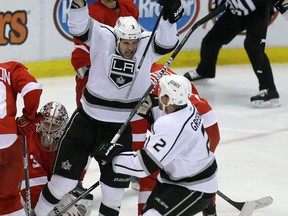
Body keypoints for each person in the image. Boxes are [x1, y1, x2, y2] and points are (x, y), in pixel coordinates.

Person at [34, 0, 183, 215]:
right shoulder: (103, 35)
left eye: (133, 43)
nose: (131, 48)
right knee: (61, 184)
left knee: (113, 195)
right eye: (125, 43)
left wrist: (169, 18)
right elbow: (78, 26)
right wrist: (78, 3)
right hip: (85, 123)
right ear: (116, 37)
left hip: (119, 129)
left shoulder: (144, 43)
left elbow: (167, 43)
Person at [94, 74, 218, 216]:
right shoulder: (187, 106)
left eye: (160, 92)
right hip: (180, 177)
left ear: (166, 99)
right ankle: (207, 205)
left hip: (195, 186)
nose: (157, 93)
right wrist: (151, 114)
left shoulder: (170, 124)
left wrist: (113, 158)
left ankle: (205, 202)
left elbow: (144, 166)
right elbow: (172, 134)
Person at [130, 63, 220, 216]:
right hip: (195, 124)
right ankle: (209, 203)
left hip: (195, 125)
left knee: (151, 170)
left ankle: (208, 202)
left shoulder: (138, 91)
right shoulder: (166, 80)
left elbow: (143, 157)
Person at [184, 0, 280, 108]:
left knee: (253, 46)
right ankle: (205, 71)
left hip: (259, 12)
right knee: (211, 40)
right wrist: (215, 9)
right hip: (236, 11)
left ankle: (269, 89)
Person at [19, 101, 93, 216]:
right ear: (40, 121)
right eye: (46, 123)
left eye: (54, 125)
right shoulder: (28, 135)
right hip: (29, 184)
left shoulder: (69, 141)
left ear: (63, 125)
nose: (49, 129)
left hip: (52, 187)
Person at [71, 0, 139, 107]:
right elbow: (81, 45)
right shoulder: (91, 12)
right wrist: (88, 69)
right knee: (87, 112)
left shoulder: (129, 6)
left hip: (123, 68)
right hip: (98, 68)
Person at [0, 61, 42, 216]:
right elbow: (33, 88)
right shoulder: (10, 68)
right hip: (8, 139)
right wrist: (29, 117)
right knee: (9, 201)